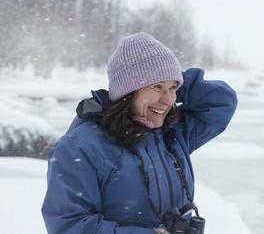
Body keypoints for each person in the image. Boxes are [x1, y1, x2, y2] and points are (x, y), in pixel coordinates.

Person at [41, 32, 237, 233]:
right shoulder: (81, 146)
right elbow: (69, 226)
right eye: (157, 87)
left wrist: (173, 77)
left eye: (172, 88)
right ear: (128, 91)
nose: (168, 100)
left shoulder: (170, 135)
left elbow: (222, 103)